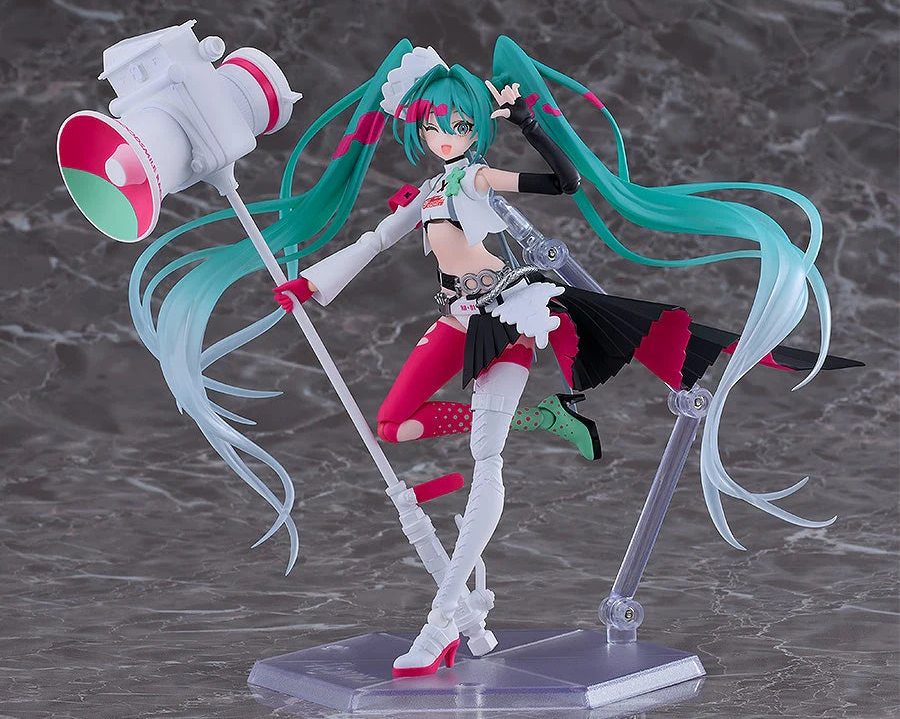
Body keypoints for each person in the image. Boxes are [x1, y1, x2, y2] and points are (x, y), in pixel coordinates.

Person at [128, 37, 860, 677]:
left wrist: (527, 124)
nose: (447, 135)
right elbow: (372, 243)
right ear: (418, 128)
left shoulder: (478, 178)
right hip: (459, 317)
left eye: (459, 125)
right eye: (434, 125)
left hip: (510, 314)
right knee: (393, 424)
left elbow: (563, 184)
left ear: (476, 127)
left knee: (486, 460)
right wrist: (309, 285)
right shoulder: (427, 191)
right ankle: (544, 421)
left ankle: (441, 621)